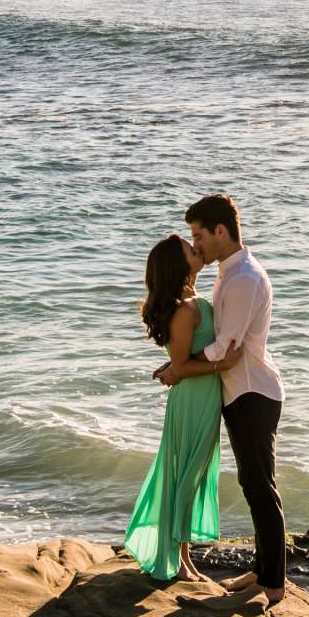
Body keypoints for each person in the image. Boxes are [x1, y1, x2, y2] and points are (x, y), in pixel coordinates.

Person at [152, 193, 286, 608]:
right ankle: (263, 571)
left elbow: (226, 346)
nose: (197, 243)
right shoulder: (229, 273)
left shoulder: (244, 277)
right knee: (251, 483)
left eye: (199, 234)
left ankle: (273, 584)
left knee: (260, 486)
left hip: (252, 392)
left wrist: (180, 367)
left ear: (220, 231)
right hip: (238, 392)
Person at [124, 233, 243, 585]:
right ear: (180, 265)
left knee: (193, 475)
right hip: (193, 400)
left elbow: (179, 362)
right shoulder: (185, 309)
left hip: (203, 397)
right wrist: (224, 365)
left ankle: (183, 556)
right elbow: (183, 366)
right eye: (191, 251)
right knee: (185, 477)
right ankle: (179, 559)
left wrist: (173, 368)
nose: (198, 250)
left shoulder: (191, 301)